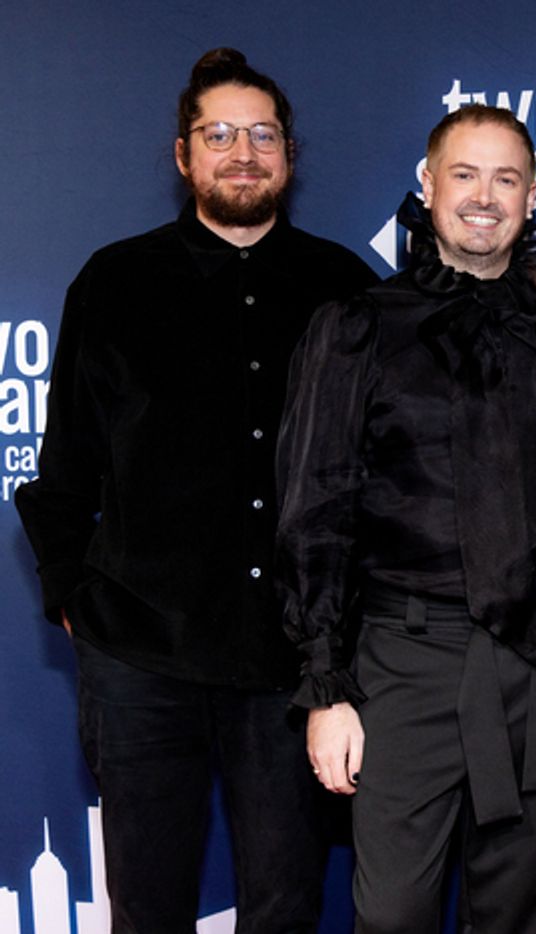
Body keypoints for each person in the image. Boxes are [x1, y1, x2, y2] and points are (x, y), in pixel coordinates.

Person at [14, 48, 377, 933]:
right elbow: (64, 470)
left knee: (286, 905)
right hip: (141, 653)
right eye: (219, 135)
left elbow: (388, 468)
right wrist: (75, 603)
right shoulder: (114, 282)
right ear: (183, 155)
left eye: (262, 135)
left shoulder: (345, 288)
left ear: (289, 153)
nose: (242, 153)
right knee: (147, 906)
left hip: (290, 663)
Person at [276, 104, 536, 934]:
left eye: (506, 179)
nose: (484, 197)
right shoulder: (358, 325)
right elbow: (315, 510)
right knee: (392, 914)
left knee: (517, 913)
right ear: (427, 184)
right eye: (465, 174)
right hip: (407, 661)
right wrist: (325, 688)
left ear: (532, 196)